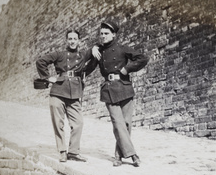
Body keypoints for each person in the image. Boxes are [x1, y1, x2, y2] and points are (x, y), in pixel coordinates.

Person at [91, 21, 148, 167]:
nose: (103, 36)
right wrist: (92, 49)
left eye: (106, 34)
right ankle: (133, 154)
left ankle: (118, 156)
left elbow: (143, 58)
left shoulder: (122, 49)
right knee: (118, 123)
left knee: (126, 123)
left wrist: (127, 68)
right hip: (109, 90)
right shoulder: (98, 51)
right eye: (101, 34)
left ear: (113, 35)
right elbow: (87, 65)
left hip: (124, 88)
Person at [36, 29, 97, 162]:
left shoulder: (82, 55)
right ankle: (62, 151)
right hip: (58, 91)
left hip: (74, 93)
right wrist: (48, 78)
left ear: (79, 41)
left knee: (78, 123)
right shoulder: (59, 54)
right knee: (58, 123)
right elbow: (41, 61)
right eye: (70, 39)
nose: (72, 41)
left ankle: (73, 152)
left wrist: (94, 49)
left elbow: (94, 55)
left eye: (75, 39)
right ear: (66, 40)